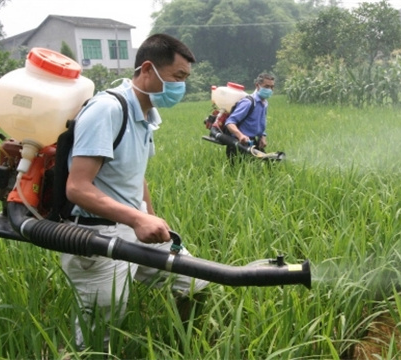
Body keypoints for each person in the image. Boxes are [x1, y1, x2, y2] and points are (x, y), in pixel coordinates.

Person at [61, 33, 209, 350]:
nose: (181, 86)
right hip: (96, 237)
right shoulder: (108, 109)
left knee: (195, 284)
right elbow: (77, 187)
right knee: (97, 340)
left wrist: (150, 218)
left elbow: (135, 175)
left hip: (130, 229)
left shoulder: (145, 114)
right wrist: (137, 220)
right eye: (177, 77)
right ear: (147, 69)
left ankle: (181, 347)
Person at [223, 73, 275, 162]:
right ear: (257, 86)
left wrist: (262, 136)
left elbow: (260, 122)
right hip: (238, 144)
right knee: (238, 173)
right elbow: (230, 122)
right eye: (266, 86)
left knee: (267, 167)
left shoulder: (264, 103)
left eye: (272, 87)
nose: (269, 90)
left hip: (253, 142)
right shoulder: (248, 102)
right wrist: (240, 136)